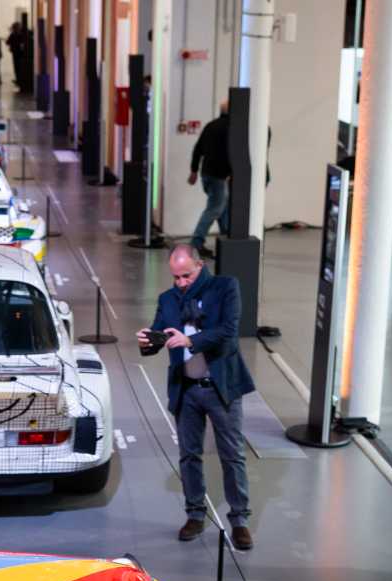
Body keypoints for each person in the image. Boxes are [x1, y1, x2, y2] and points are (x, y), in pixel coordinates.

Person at [142, 244, 256, 549]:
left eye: (186, 276)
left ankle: (240, 519)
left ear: (200, 265)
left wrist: (190, 340)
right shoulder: (168, 299)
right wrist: (147, 342)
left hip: (220, 388)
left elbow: (228, 332)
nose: (180, 283)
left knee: (232, 454)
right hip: (187, 389)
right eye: (176, 277)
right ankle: (194, 513)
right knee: (189, 454)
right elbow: (159, 334)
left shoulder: (225, 287)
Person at [186, 99, 232, 255]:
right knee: (214, 209)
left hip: (206, 174)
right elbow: (230, 153)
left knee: (223, 207)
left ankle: (227, 238)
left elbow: (197, 149)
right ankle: (196, 242)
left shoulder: (210, 126)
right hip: (219, 176)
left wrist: (193, 171)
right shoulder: (231, 128)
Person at [8, 17, 32, 92]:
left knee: (17, 67)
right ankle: (19, 80)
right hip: (19, 53)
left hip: (17, 53)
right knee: (18, 67)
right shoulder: (17, 34)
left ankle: (19, 80)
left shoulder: (14, 34)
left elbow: (8, 42)